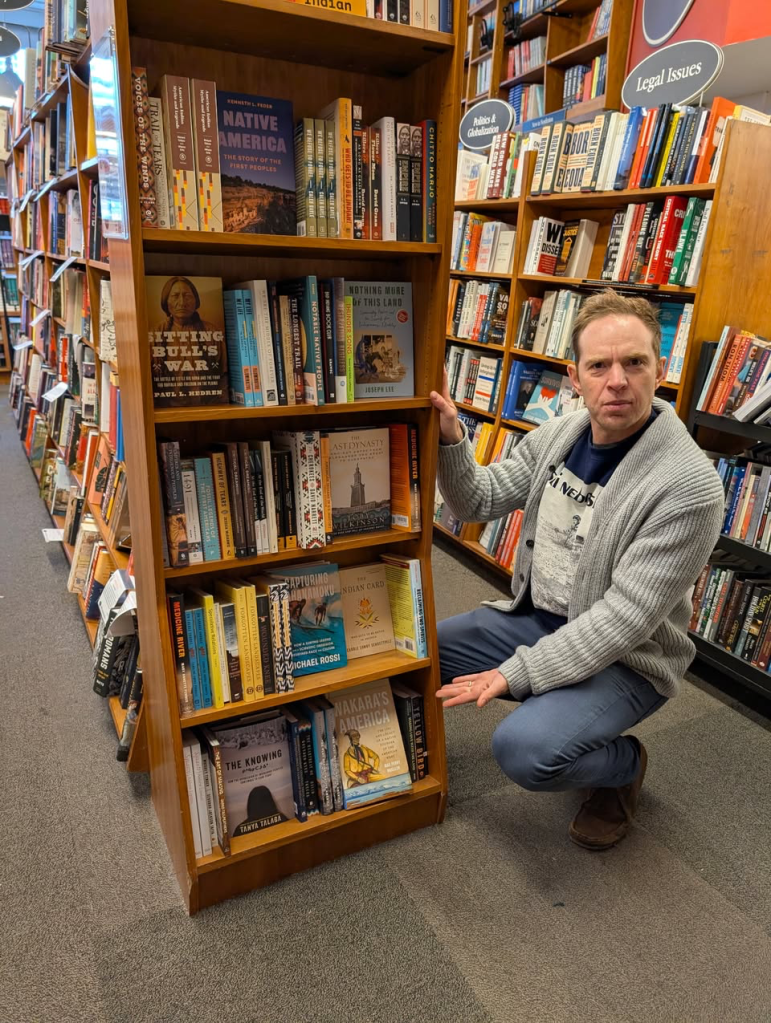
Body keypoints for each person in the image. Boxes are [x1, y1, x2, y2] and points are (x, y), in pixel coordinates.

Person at [430, 289, 724, 850]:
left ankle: (622, 765)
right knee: (422, 651)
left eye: (634, 362)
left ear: (659, 369)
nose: (618, 381)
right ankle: (559, 710)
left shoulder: (690, 487)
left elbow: (621, 621)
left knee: (524, 751)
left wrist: (518, 673)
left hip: (628, 658)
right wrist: (451, 435)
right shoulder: (562, 434)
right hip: (539, 620)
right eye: (599, 366)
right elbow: (476, 500)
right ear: (575, 377)